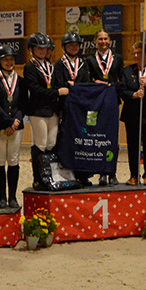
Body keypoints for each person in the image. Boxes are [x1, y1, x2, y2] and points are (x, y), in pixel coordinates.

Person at [119, 40, 146, 194]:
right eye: (134, 53)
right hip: (132, 114)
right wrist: (133, 94)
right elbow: (121, 90)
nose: (135, 56)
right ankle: (133, 175)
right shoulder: (127, 70)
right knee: (133, 145)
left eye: (139, 53)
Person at [0, 45, 27, 208]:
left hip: (16, 126)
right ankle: (2, 197)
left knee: (13, 160)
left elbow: (24, 103)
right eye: (5, 60)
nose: (9, 62)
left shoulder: (21, 81)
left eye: (11, 59)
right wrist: (8, 121)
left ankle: (12, 197)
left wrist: (16, 121)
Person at [23, 32, 62, 190]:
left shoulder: (51, 67)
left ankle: (50, 175)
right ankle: (37, 178)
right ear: (32, 49)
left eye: (44, 48)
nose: (42, 51)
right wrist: (56, 92)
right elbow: (35, 89)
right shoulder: (30, 67)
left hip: (52, 110)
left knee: (51, 143)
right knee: (40, 143)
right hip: (37, 110)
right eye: (38, 48)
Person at [53, 31, 92, 186]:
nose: (74, 47)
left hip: (80, 107)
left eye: (76, 45)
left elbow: (86, 83)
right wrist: (69, 86)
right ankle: (68, 174)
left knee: (81, 140)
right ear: (64, 47)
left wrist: (74, 87)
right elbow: (59, 84)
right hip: (66, 107)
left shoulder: (84, 64)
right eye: (70, 45)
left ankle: (83, 175)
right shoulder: (59, 64)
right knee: (67, 141)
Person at [85, 30, 124, 186]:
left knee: (112, 138)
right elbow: (86, 80)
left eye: (105, 39)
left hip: (112, 101)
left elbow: (122, 80)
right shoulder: (89, 59)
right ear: (95, 41)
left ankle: (112, 172)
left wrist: (111, 86)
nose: (103, 41)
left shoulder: (117, 59)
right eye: (100, 39)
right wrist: (96, 83)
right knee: (97, 137)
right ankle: (101, 173)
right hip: (95, 102)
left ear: (109, 41)